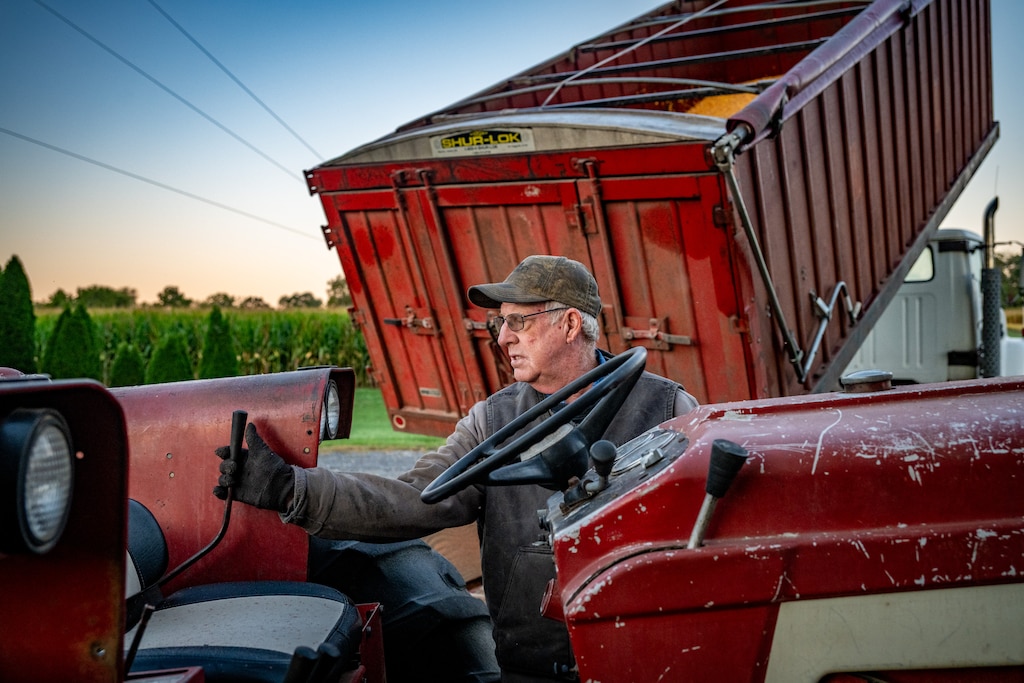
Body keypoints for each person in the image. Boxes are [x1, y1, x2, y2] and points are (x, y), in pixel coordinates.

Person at [215, 255, 698, 682]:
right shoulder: (493, 420)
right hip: (530, 665)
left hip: (648, 655)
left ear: (570, 324)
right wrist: (291, 488)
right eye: (500, 323)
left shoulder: (668, 408)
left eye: (518, 321)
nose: (503, 337)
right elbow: (413, 498)